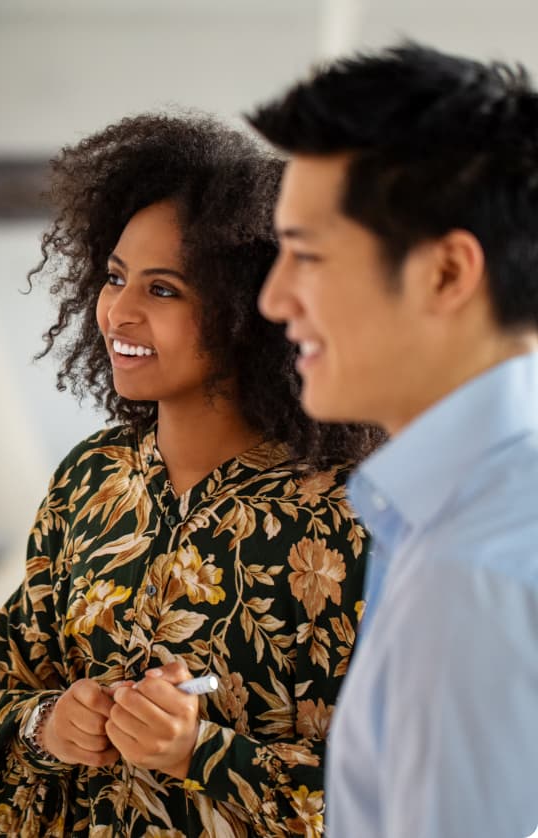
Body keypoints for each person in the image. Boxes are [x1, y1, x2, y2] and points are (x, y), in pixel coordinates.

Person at [0, 112, 382, 837]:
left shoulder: (351, 515)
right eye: (117, 277)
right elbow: (1, 686)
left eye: (162, 290)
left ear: (250, 313)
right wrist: (48, 725)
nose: (118, 311)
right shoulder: (93, 480)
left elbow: (415, 791)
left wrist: (201, 750)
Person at [248, 42, 538, 838]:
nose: (274, 299)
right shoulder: (453, 511)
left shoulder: (470, 573)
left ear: (447, 274)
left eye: (306, 256)